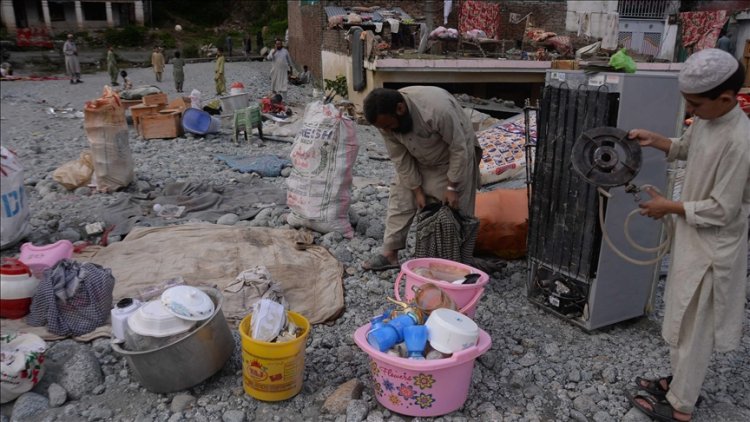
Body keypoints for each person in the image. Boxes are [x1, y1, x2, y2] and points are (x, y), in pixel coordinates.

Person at [627, 49, 749, 422]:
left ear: (726, 99)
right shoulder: (711, 120)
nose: (691, 111)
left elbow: (722, 209)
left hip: (714, 246)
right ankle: (679, 381)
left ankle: (681, 405)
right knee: (681, 314)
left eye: (695, 104)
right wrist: (658, 140)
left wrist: (669, 207)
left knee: (696, 326)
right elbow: (687, 147)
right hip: (693, 236)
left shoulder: (740, 142)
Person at [361, 86, 482, 271]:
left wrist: (451, 188)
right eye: (382, 128)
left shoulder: (437, 109)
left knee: (456, 211)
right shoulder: (384, 121)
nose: (386, 130)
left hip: (453, 157)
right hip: (418, 157)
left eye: (387, 125)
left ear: (400, 109)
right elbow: (400, 158)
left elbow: (459, 149)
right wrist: (417, 190)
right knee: (400, 197)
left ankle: (458, 264)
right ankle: (389, 254)